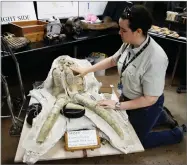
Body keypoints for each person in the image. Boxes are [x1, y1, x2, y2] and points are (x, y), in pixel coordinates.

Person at [71, 5, 186, 149]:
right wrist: (86, 70)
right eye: (120, 28)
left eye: (123, 30)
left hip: (147, 104)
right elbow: (113, 60)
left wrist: (117, 105)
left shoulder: (156, 58)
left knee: (135, 140)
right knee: (124, 124)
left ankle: (176, 134)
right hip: (129, 97)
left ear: (138, 31)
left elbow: (150, 98)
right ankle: (161, 117)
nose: (119, 32)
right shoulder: (129, 43)